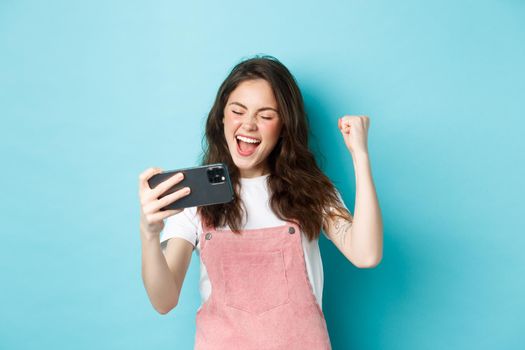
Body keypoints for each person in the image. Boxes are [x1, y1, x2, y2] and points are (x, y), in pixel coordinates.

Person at [138, 55, 383, 349]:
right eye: (238, 111)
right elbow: (164, 300)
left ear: (284, 127)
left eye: (266, 116)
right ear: (222, 117)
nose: (249, 125)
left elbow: (366, 254)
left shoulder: (311, 190)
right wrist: (149, 234)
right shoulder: (194, 198)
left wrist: (360, 155)